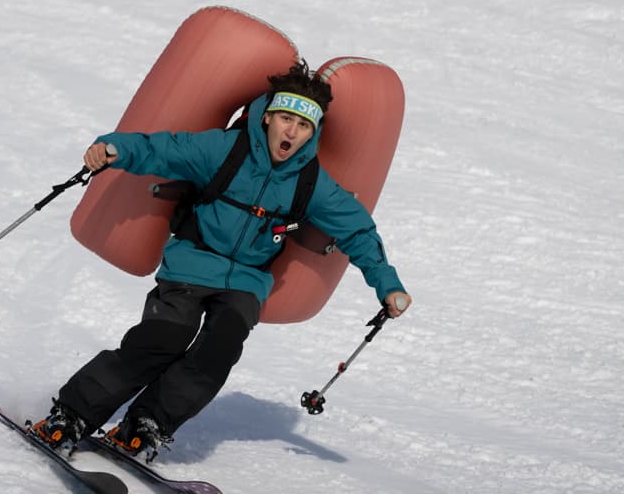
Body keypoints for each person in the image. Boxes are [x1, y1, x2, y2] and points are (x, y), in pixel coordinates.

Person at [31, 61, 412, 460]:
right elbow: (163, 148)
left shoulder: (311, 183)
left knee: (219, 350)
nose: (292, 132)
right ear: (268, 117)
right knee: (163, 338)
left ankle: (146, 424)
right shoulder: (225, 150)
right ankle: (71, 415)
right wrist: (113, 148)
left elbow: (358, 232)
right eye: (285, 119)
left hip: (246, 283)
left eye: (303, 126)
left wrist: (388, 285)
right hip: (192, 263)